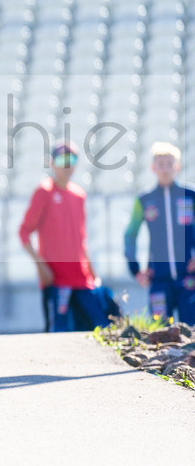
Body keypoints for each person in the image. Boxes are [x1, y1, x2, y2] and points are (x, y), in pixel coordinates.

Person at [18, 140, 110, 332]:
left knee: (99, 328)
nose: (67, 164)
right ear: (52, 162)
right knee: (58, 334)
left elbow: (81, 239)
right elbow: (24, 231)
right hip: (57, 280)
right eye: (62, 159)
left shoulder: (79, 195)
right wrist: (41, 266)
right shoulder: (44, 191)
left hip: (82, 279)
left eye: (72, 158)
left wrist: (93, 272)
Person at [123, 142, 195, 324]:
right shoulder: (144, 199)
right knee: (161, 330)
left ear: (177, 167)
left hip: (189, 278)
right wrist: (135, 269)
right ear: (153, 167)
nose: (165, 169)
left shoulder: (190, 195)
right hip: (159, 280)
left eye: (169, 164)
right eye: (160, 164)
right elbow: (130, 234)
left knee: (192, 330)